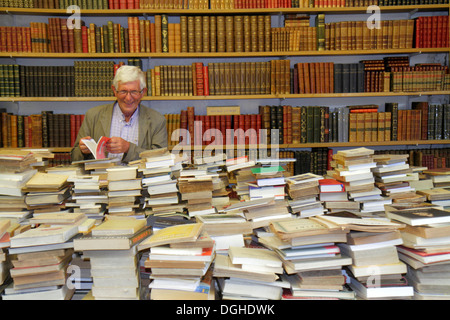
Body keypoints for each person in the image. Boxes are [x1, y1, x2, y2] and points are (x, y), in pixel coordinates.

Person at [71, 65, 168, 163]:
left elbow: (160, 159)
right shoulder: (93, 116)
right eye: (123, 91)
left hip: (139, 177)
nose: (128, 98)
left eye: (134, 92)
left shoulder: (157, 120)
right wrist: (83, 151)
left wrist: (129, 149)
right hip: (102, 177)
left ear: (143, 93)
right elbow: (74, 157)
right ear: (114, 91)